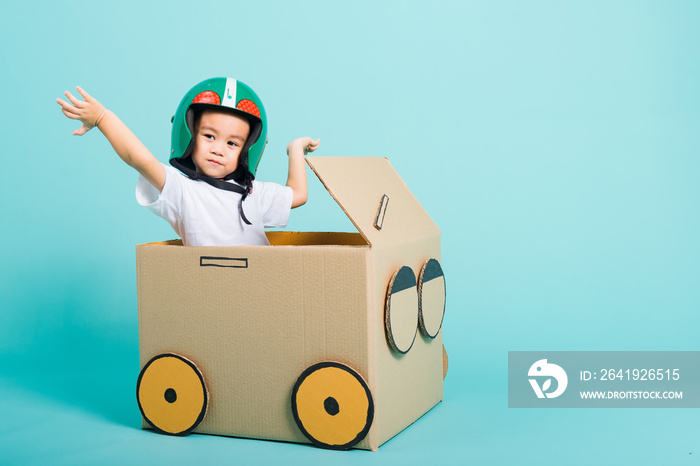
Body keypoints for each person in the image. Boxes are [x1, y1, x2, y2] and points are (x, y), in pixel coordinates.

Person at [56, 77, 319, 246]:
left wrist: (295, 150)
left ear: (247, 150)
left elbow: (297, 195)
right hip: (207, 297)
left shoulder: (253, 192)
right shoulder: (181, 190)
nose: (218, 149)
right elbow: (138, 158)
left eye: (232, 143)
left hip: (261, 295)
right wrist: (102, 117)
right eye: (209, 136)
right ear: (190, 137)